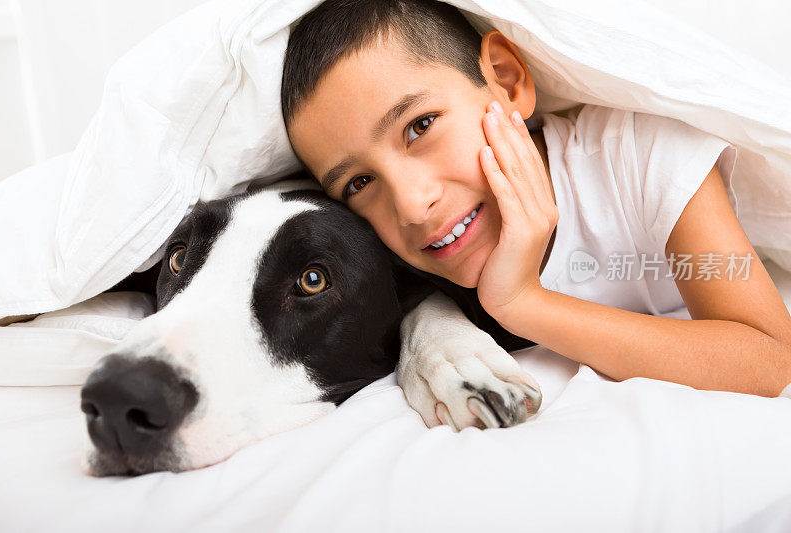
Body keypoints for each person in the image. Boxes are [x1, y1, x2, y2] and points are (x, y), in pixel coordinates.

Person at [280, 0, 791, 413]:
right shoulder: (394, 256)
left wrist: (526, 304)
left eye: (420, 126)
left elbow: (769, 360)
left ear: (505, 80)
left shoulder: (637, 154)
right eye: (359, 182)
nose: (413, 206)